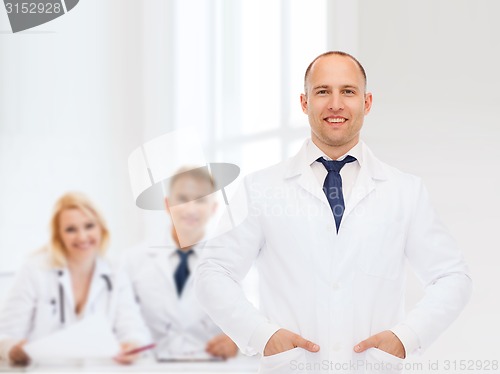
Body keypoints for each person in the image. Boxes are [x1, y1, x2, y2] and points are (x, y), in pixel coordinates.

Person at [195, 51, 472, 373]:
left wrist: (407, 336)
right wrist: (261, 335)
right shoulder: (261, 188)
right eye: (323, 91)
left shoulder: (405, 190)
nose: (336, 104)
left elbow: (452, 277)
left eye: (348, 92)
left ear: (367, 103)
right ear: (304, 102)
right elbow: (213, 272)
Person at [0, 192, 151, 366]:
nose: (82, 237)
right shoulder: (35, 270)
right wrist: (13, 349)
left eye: (89, 226)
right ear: (59, 235)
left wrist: (132, 344)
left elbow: (133, 328)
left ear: (101, 228)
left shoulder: (115, 272)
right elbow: (5, 334)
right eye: (70, 229)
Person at [122, 167, 238, 360]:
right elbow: (125, 318)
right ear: (167, 205)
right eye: (182, 199)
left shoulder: (230, 260)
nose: (190, 208)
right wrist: (130, 342)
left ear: (213, 208)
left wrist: (237, 342)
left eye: (201, 200)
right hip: (149, 367)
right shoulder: (133, 260)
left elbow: (248, 319)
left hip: (208, 367)